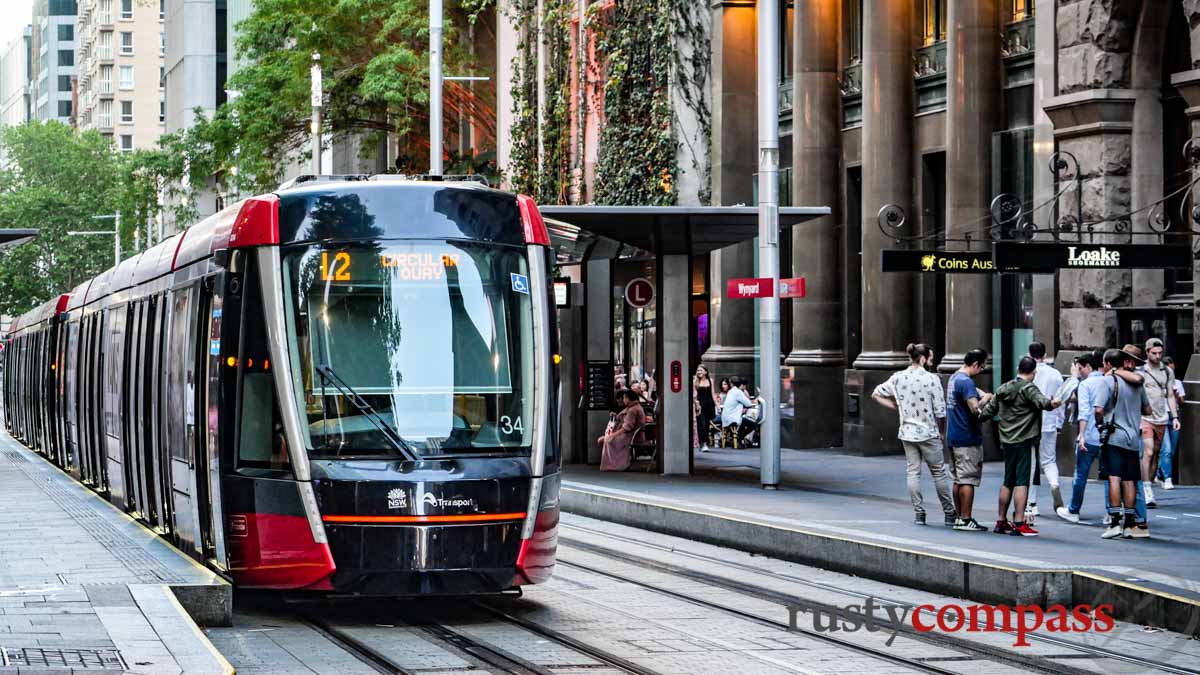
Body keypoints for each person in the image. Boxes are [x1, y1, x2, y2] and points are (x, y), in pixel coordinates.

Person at [871, 343, 957, 526]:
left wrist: (894, 406)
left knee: (913, 472)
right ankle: (949, 513)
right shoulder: (931, 379)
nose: (932, 361)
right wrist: (942, 431)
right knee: (938, 473)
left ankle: (919, 514)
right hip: (929, 432)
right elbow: (941, 411)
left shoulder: (897, 377)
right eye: (931, 358)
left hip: (907, 432)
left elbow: (876, 394)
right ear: (924, 358)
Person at [977, 356, 1062, 537]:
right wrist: (1054, 403)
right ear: (1033, 372)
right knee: (1023, 481)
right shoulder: (1029, 388)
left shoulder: (1003, 388)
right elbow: (1044, 403)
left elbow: (986, 413)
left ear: (1018, 369)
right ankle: (1018, 522)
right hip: (1025, 441)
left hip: (1007, 441)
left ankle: (1001, 521)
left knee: (1008, 481)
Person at [1097, 347, 1152, 539]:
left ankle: (1114, 523)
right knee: (1130, 481)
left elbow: (1098, 409)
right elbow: (1148, 410)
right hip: (1133, 438)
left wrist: (1100, 422)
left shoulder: (1108, 381)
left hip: (1114, 436)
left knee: (1114, 478)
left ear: (1109, 364)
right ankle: (1129, 524)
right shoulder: (1137, 384)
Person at [945, 348, 992, 532]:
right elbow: (974, 408)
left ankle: (959, 517)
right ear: (975, 364)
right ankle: (966, 519)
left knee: (958, 479)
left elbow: (971, 392)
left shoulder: (955, 378)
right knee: (968, 480)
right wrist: (986, 400)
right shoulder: (966, 382)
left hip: (953, 435)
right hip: (967, 437)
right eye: (981, 367)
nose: (982, 370)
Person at [1058, 352, 1103, 523]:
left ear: (1087, 366)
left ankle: (1074, 510)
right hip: (1106, 437)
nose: (1080, 372)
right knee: (1108, 476)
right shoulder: (1108, 380)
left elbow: (1084, 412)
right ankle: (1111, 513)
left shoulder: (1085, 384)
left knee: (1081, 475)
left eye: (1080, 368)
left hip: (1090, 436)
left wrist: (1082, 435)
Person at [1026, 342, 1065, 521]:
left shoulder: (1028, 372)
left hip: (1031, 424)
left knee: (1031, 464)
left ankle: (1031, 503)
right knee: (1049, 461)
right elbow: (1060, 400)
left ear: (1029, 353)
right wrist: (1059, 422)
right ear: (1045, 354)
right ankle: (1054, 484)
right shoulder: (1055, 374)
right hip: (1050, 422)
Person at [1138, 338, 1179, 507]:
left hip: (1162, 418)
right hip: (1145, 418)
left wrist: (1174, 417)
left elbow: (1170, 395)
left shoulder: (1167, 372)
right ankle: (1147, 490)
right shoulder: (1141, 371)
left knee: (1155, 453)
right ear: (1147, 352)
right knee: (1147, 452)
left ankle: (1149, 484)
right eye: (1154, 353)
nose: (1157, 356)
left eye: (1160, 353)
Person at [599, 389, 647, 472]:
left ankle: (614, 465)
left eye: (624, 398)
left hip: (631, 436)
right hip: (632, 434)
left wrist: (612, 435)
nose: (623, 400)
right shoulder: (634, 407)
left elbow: (626, 427)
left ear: (628, 398)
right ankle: (612, 463)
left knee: (609, 441)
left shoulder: (632, 410)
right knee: (606, 439)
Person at [1159, 356, 1184, 490]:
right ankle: (1167, 478)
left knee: (1172, 449)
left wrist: (1175, 394)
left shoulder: (1177, 383)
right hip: (1161, 416)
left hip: (1174, 415)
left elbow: (1181, 401)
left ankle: (1159, 473)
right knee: (1166, 449)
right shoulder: (1158, 382)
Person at [720, 377, 757, 446]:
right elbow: (748, 404)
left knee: (744, 421)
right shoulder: (738, 392)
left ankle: (738, 439)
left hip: (726, 417)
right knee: (753, 424)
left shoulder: (731, 391)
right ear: (741, 385)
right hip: (733, 418)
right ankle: (739, 438)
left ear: (731, 384)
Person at [694, 365, 718, 451]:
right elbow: (694, 395)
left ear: (705, 372)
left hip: (709, 405)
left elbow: (713, 393)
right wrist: (696, 403)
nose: (699, 372)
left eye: (701, 370)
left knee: (707, 425)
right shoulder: (695, 381)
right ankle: (703, 443)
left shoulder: (710, 380)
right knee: (702, 424)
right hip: (700, 405)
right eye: (698, 371)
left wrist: (717, 405)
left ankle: (704, 443)